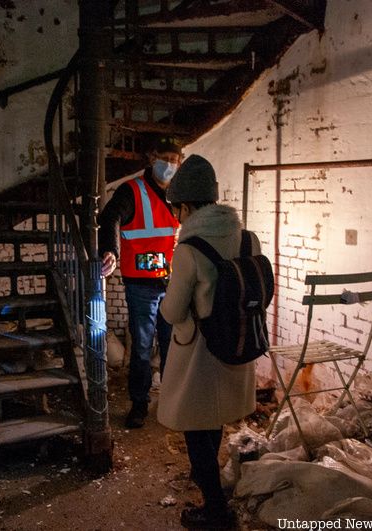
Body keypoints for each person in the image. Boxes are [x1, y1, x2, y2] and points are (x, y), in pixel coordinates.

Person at [158, 154, 258, 530]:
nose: (177, 217)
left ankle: (215, 510)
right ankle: (211, 488)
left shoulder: (188, 250)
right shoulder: (248, 238)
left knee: (196, 432)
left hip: (199, 357)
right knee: (213, 423)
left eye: (177, 210)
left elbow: (171, 312)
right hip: (235, 346)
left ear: (186, 206)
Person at [98, 137, 183, 428]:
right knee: (143, 347)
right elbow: (109, 217)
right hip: (141, 286)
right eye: (164, 158)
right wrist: (108, 249)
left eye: (174, 160)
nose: (169, 165)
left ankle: (172, 401)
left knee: (173, 345)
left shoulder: (178, 194)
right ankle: (139, 404)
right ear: (151, 157)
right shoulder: (132, 190)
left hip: (172, 282)